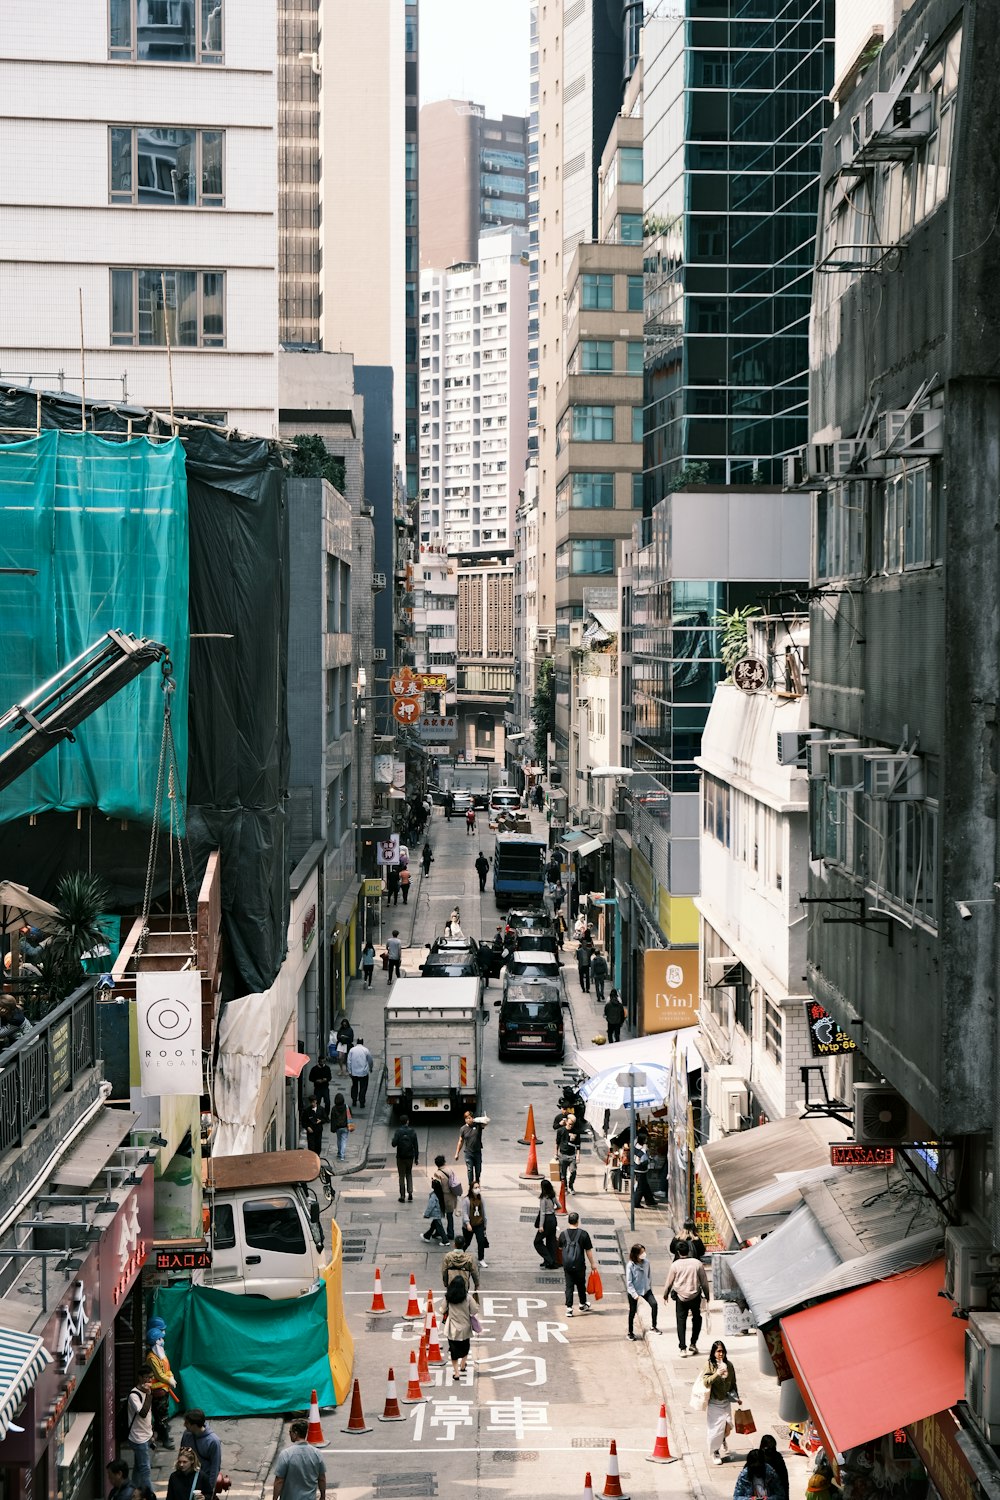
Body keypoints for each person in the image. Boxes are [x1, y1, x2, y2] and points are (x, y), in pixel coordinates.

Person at [663, 1238, 709, 1354]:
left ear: (678, 1252)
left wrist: (665, 1295)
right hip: (695, 1296)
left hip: (680, 1297)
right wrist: (707, 1295)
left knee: (681, 1321)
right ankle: (693, 1344)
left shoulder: (675, 1265)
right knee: (697, 1319)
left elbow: (669, 1282)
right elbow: (704, 1282)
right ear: (689, 1250)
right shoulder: (697, 1264)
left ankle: (682, 1348)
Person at [700, 1340, 741, 1465]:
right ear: (713, 1352)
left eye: (722, 1351)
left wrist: (737, 1397)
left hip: (726, 1402)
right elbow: (706, 1381)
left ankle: (722, 1439)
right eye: (718, 1351)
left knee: (727, 1427)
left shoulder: (729, 1365)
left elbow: (733, 1383)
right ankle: (715, 1451)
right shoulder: (709, 1365)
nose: (720, 1354)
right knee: (715, 1430)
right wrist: (717, 1374)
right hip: (714, 1402)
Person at [272, 1418, 326, 1500]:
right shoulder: (316, 1453)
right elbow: (321, 1478)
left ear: (295, 1433)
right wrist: (323, 1496)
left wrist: (274, 1498)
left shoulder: (286, 1454)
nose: (289, 1434)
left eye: (290, 1432)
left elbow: (279, 1480)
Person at [145, 1317, 177, 1447]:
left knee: (163, 1415)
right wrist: (169, 1379)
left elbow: (166, 1368)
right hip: (157, 1390)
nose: (163, 1340)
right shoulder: (152, 1358)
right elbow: (159, 1374)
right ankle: (165, 1439)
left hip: (163, 1389)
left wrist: (170, 1376)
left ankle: (161, 1435)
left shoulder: (160, 1354)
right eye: (160, 1338)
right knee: (161, 1417)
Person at [557, 1211, 597, 1316]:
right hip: (579, 1265)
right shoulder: (583, 1234)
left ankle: (569, 1308)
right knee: (580, 1285)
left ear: (568, 1221)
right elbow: (588, 1251)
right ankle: (582, 1304)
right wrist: (592, 1263)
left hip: (567, 1265)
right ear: (577, 1221)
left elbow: (560, 1248)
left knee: (569, 1286)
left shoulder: (563, 1234)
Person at [125, 1367, 156, 1500]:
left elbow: (149, 1414)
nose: (148, 1380)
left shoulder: (146, 1393)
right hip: (138, 1438)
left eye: (150, 1377)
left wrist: (152, 1432)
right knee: (145, 1469)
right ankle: (150, 1496)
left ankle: (132, 1490)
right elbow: (143, 1413)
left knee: (138, 1468)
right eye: (146, 1377)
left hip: (146, 1435)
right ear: (140, 1377)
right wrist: (149, 1394)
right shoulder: (134, 1395)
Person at [443, 1271, 478, 1382]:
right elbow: (474, 1310)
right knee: (465, 1348)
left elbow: (442, 1310)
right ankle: (463, 1365)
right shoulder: (467, 1298)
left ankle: (456, 1372)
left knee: (454, 1351)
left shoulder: (448, 1297)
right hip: (465, 1328)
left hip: (452, 1328)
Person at [179, 1410, 222, 1500]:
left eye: (187, 1423)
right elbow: (181, 1455)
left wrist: (210, 1491)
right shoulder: (187, 1435)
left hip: (203, 1480)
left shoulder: (213, 1441)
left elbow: (215, 1467)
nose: (184, 1425)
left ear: (194, 1425)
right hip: (188, 1477)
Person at [625, 1243, 661, 1341]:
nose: (644, 1254)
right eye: (641, 1252)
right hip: (634, 1291)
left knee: (654, 1304)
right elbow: (629, 1283)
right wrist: (635, 1295)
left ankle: (654, 1326)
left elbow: (649, 1276)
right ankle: (630, 1332)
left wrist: (649, 1287)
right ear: (636, 1254)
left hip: (646, 1290)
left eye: (644, 1252)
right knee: (632, 1311)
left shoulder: (646, 1263)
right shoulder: (630, 1265)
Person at [454, 1110, 488, 1191]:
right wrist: (457, 1153)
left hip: (477, 1152)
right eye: (466, 1118)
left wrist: (476, 1120)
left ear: (472, 1118)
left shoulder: (478, 1126)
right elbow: (460, 1141)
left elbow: (486, 1122)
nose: (468, 1120)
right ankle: (470, 1185)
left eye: (469, 1118)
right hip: (468, 1153)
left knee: (478, 1170)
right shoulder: (463, 1129)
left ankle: (477, 1182)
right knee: (470, 1170)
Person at [458, 1181, 488, 1266]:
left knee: (481, 1241)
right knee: (466, 1242)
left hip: (479, 1224)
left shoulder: (481, 1198)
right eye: (475, 1187)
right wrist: (467, 1223)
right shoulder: (466, 1200)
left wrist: (485, 1224)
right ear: (471, 1189)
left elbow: (484, 1212)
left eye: (478, 1187)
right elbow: (464, 1213)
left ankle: (481, 1259)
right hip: (469, 1225)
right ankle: (459, 1255)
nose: (478, 1189)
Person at [433, 1154, 461, 1241]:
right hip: (452, 1195)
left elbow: (437, 1187)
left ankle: (439, 1231)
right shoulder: (450, 1170)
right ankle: (450, 1232)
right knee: (450, 1215)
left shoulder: (437, 1173)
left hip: (444, 1196)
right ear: (444, 1162)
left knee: (438, 1215)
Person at [391, 1113, 419, 1202]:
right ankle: (410, 1193)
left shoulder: (398, 1131)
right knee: (409, 1174)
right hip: (410, 1156)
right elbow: (416, 1145)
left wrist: (394, 1139)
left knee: (401, 1176)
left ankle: (402, 1195)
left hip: (400, 1157)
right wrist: (416, 1158)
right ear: (407, 1121)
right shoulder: (412, 1131)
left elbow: (393, 1144)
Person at [533, 1178, 559, 1268]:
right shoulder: (553, 1196)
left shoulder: (543, 1199)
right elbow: (559, 1206)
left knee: (537, 1242)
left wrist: (541, 1226)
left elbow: (542, 1213)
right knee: (551, 1241)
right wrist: (553, 1210)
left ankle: (549, 1260)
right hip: (553, 1219)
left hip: (546, 1221)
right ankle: (550, 1261)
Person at [758, 1436, 790, 1500]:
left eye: (773, 1448)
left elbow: (784, 1480)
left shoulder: (778, 1458)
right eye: (768, 1448)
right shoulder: (757, 1458)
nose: (770, 1451)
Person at [346, 1036, 373, 1109]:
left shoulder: (352, 1050)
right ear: (362, 1042)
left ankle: (354, 1100)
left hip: (354, 1073)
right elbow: (370, 1060)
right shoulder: (366, 1050)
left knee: (354, 1086)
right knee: (363, 1088)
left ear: (357, 1042)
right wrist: (371, 1068)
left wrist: (349, 1071)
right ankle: (362, 1102)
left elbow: (349, 1061)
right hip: (363, 1073)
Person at [420, 1176, 449, 1243]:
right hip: (440, 1212)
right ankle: (427, 1236)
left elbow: (430, 1206)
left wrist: (426, 1214)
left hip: (436, 1214)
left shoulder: (433, 1195)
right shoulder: (441, 1194)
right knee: (433, 1225)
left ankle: (445, 1241)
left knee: (439, 1227)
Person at [555, 1113, 580, 1193]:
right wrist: (556, 1153)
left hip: (572, 1155)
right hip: (563, 1155)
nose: (571, 1126)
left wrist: (578, 1156)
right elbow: (557, 1143)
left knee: (573, 1171)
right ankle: (565, 1186)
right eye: (569, 1124)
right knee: (563, 1173)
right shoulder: (560, 1131)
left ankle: (571, 1185)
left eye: (572, 1125)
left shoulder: (576, 1132)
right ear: (566, 1122)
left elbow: (578, 1145)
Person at [328, 1092, 351, 1161]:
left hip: (338, 1127)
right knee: (344, 1141)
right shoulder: (347, 1107)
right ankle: (342, 1155)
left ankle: (339, 1152)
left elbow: (332, 1119)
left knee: (339, 1140)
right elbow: (350, 1115)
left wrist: (333, 1128)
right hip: (345, 1126)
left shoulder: (334, 1108)